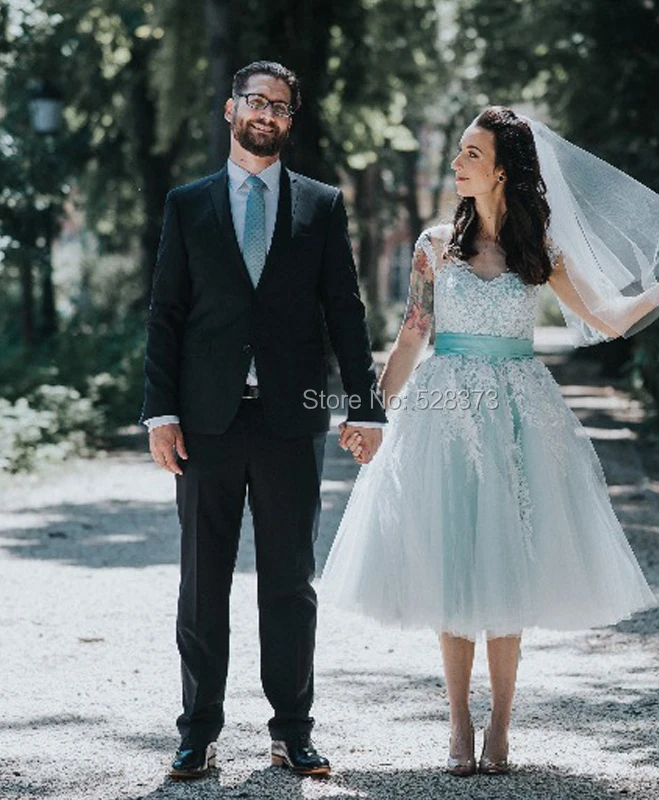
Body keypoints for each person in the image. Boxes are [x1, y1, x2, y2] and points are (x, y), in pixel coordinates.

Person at [326, 106, 659, 775]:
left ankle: (502, 727)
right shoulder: (434, 247)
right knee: (453, 560)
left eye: (471, 155)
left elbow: (607, 318)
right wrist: (371, 413)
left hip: (518, 413)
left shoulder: (541, 252)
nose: (457, 163)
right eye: (458, 152)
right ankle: (458, 724)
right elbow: (411, 336)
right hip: (446, 412)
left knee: (506, 566)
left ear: (504, 171)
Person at [141, 60, 386, 779]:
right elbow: (166, 315)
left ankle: (293, 730)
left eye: (281, 106)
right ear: (230, 110)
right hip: (207, 423)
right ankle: (198, 730)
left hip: (290, 422)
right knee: (201, 581)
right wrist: (161, 412)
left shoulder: (320, 204)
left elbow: (345, 311)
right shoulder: (188, 205)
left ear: (290, 119)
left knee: (289, 582)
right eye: (256, 101)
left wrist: (365, 407)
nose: (267, 114)